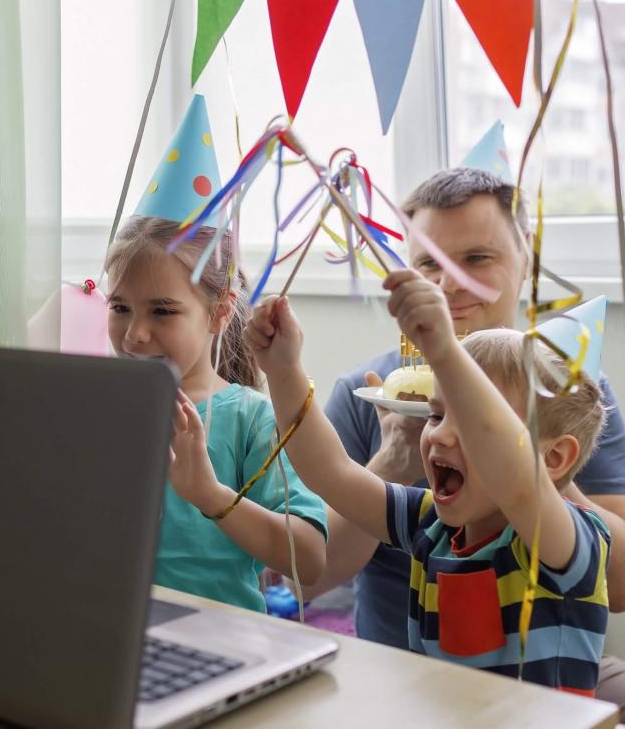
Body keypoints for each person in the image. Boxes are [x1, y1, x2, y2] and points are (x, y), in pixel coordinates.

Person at [320, 167, 625, 712]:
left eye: (477, 259)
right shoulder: (364, 395)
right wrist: (392, 457)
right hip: (398, 670)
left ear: (523, 262)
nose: (449, 284)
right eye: (428, 263)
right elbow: (311, 573)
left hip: (544, 677)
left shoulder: (573, 394)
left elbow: (620, 586)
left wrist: (532, 465)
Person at [245, 272, 610, 692]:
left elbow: (518, 479)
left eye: (470, 422)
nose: (438, 434)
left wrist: (444, 350)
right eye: (436, 415)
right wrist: (283, 371)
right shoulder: (429, 524)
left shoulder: (569, 541)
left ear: (553, 459)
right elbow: (333, 472)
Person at [102, 94, 326, 613]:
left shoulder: (250, 418)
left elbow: (310, 559)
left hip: (225, 647)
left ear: (221, 312)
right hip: (109, 640)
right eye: (120, 308)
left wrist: (209, 495)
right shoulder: (95, 407)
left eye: (162, 312)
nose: (134, 335)